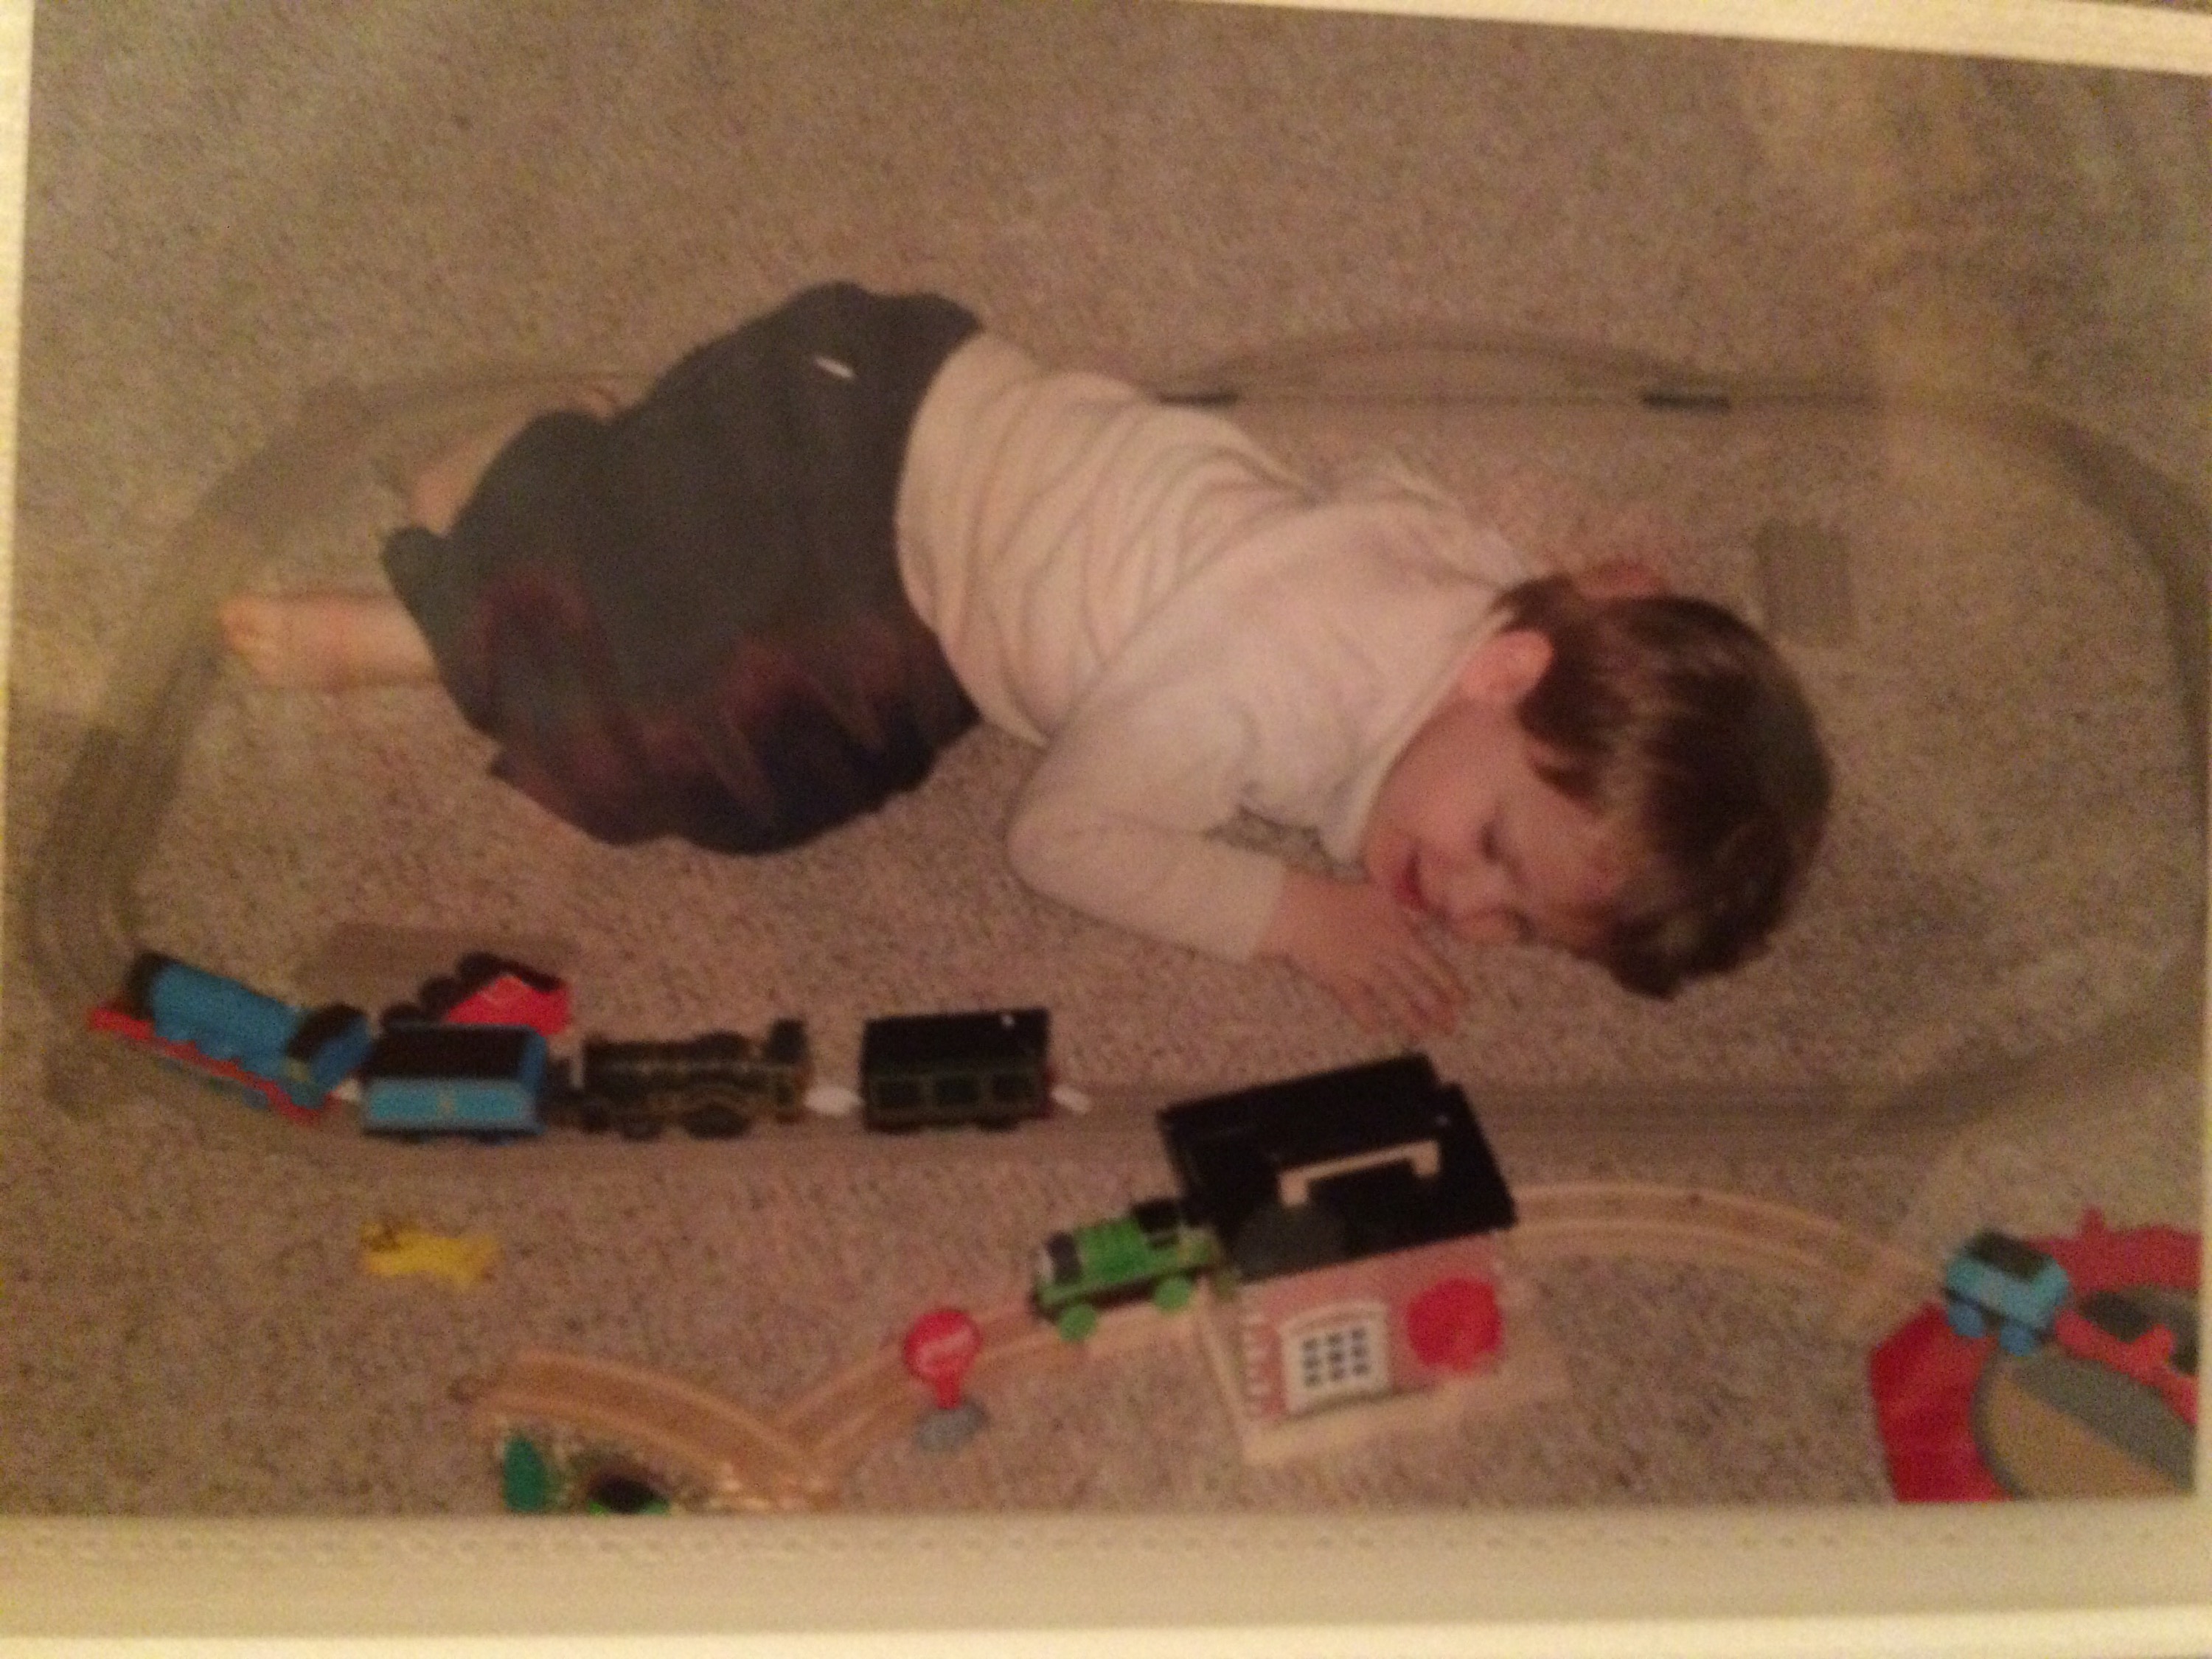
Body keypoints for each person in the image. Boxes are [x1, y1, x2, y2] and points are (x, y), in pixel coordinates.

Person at [222, 282, 1830, 1036]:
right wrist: (1285, 916)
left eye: (1523, 926)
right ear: (1502, 678)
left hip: (939, 476)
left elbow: (1395, 496)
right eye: (1497, 853)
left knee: (825, 758)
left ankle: (595, 484)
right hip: (841, 469)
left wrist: (1586, 601)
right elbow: (1061, 838)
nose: (1469, 907)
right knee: (692, 753)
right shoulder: (1269, 690)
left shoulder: (1481, 610)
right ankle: (472, 563)